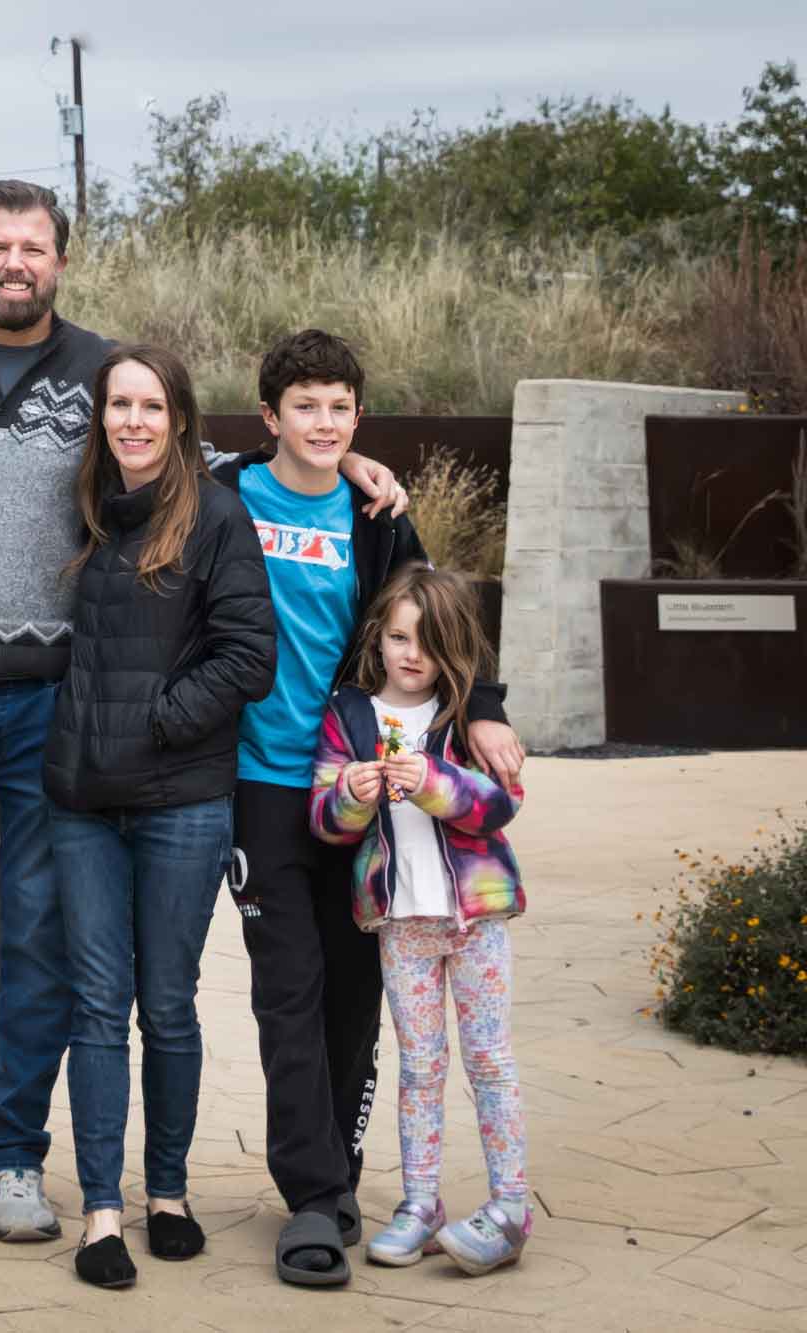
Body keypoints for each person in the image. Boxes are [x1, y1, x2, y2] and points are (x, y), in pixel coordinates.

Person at [0, 180, 409, 1243]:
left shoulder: (100, 369)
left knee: (41, 950)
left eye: (33, 245)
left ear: (59, 261)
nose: (14, 261)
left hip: (53, 712)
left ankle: (14, 1156)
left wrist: (330, 460)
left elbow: (189, 466)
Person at [209, 329, 526, 1287]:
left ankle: (339, 1176)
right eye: (304, 406)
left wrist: (490, 713)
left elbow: (441, 618)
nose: (323, 421)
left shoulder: (376, 512)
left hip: (363, 787)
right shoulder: (225, 495)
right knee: (287, 990)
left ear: (358, 416)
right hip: (264, 784)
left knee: (356, 998)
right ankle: (310, 1197)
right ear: (271, 418)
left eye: (340, 407)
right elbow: (155, 454)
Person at [41, 345, 275, 1287]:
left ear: (179, 417)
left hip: (181, 801)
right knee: (97, 1006)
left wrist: (157, 724)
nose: (132, 421)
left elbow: (248, 655)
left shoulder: (218, 516)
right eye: (117, 405)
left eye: (150, 405)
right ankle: (101, 1210)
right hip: (83, 803)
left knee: (166, 1005)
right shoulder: (90, 507)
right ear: (101, 416)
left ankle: (167, 1193)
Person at [308, 566, 532, 1276]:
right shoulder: (348, 713)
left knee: (490, 1060)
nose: (411, 654)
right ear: (378, 635)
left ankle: (510, 1205)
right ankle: (420, 1203)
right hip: (400, 922)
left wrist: (433, 783)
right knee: (421, 1066)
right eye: (399, 636)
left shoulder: (466, 712)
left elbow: (500, 802)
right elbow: (324, 818)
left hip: (475, 920)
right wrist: (349, 791)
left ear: (452, 648)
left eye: (428, 642)